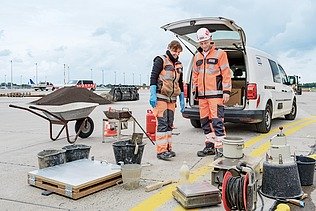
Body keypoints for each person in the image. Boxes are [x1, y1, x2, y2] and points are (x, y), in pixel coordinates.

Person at [192, 28, 232, 158]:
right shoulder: (197, 56)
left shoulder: (220, 54)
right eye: (201, 43)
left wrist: (226, 91)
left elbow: (226, 73)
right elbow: (195, 74)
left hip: (215, 95)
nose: (204, 45)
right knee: (204, 121)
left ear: (210, 40)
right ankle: (209, 146)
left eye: (205, 42)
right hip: (202, 96)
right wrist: (195, 90)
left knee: (217, 121)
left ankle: (220, 149)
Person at [149, 40, 185, 161]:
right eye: (175, 51)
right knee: (162, 123)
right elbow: (153, 77)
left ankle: (168, 148)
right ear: (169, 48)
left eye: (178, 52)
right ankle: (161, 151)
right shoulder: (161, 60)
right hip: (160, 96)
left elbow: (180, 82)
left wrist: (182, 98)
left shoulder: (179, 64)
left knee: (170, 123)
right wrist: (153, 94)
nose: (176, 54)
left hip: (172, 98)